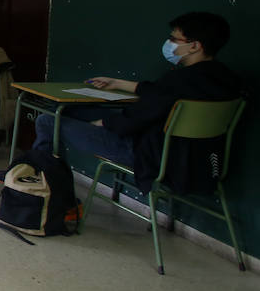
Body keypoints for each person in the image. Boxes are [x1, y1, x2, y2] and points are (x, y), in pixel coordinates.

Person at [33, 11, 244, 192]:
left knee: (49, 120)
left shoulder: (179, 80)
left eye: (175, 39)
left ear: (194, 46)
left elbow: (137, 117)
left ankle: (41, 184)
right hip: (194, 161)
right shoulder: (227, 79)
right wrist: (119, 83)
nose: (169, 43)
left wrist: (104, 124)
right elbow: (161, 94)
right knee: (69, 109)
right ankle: (41, 178)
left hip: (149, 155)